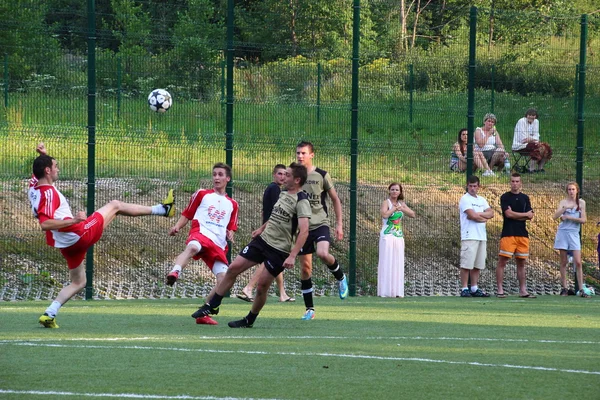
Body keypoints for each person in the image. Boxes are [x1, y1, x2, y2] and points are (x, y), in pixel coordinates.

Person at [29, 143, 175, 328]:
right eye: (55, 166)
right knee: (115, 205)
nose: (58, 169)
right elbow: (45, 223)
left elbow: (39, 173)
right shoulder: (48, 193)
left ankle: (49, 313)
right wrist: (74, 220)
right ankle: (163, 209)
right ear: (48, 170)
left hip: (66, 244)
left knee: (79, 281)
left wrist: (44, 155)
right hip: (78, 234)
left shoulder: (34, 185)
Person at [190, 163, 311, 328]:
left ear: (297, 180)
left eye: (288, 175)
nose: (284, 177)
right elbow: (275, 216)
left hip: (279, 250)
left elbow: (304, 231)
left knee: (261, 287)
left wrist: (292, 255)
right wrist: (261, 229)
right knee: (233, 268)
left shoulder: (302, 200)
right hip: (263, 241)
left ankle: (249, 320)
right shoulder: (283, 193)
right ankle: (212, 305)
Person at [165, 163, 238, 324]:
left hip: (218, 244)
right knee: (192, 247)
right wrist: (177, 226)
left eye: (220, 175)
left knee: (224, 279)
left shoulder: (233, 204)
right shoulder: (202, 194)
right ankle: (175, 272)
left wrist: (230, 233)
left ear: (228, 179)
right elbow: (187, 214)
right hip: (201, 233)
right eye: (214, 174)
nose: (216, 178)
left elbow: (231, 226)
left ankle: (204, 311)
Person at [295, 141, 348, 320]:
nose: (300, 156)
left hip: (320, 223)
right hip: (302, 227)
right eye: (298, 153)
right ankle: (309, 309)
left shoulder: (322, 175)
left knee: (323, 253)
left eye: (303, 153)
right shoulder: (294, 175)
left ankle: (340, 277)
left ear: (312, 155)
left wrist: (339, 224)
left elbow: (335, 199)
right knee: (305, 269)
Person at [238, 164, 295, 303]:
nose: (282, 177)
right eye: (280, 174)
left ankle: (282, 294)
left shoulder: (272, 188)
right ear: (274, 175)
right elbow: (277, 213)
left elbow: (265, 211)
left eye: (285, 174)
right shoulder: (275, 189)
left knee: (276, 262)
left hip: (270, 229)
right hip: (272, 230)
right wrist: (264, 228)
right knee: (268, 261)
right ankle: (249, 287)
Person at [495, 173, 536, 298]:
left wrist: (517, 214)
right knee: (503, 261)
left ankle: (523, 290)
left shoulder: (525, 198)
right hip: (508, 233)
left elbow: (530, 215)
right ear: (510, 183)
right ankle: (500, 289)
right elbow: (509, 214)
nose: (515, 183)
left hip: (522, 234)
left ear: (520, 183)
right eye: (513, 181)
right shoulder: (505, 197)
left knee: (521, 263)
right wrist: (523, 215)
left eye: (517, 181)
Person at [377, 182, 415, 297]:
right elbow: (384, 215)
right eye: (392, 189)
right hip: (387, 236)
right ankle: (384, 291)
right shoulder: (386, 202)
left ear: (400, 192)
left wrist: (402, 209)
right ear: (389, 191)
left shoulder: (401, 203)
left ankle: (396, 291)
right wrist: (393, 209)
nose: (394, 192)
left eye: (397, 190)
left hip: (398, 236)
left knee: (397, 262)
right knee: (386, 261)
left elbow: (412, 214)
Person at [458, 176, 493, 297]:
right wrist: (483, 218)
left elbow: (491, 213)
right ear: (467, 186)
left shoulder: (482, 200)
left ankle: (474, 288)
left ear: (479, 186)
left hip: (481, 236)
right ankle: (464, 288)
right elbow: (471, 216)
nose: (472, 188)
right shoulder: (465, 199)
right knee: (466, 264)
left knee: (478, 264)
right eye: (470, 186)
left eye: (475, 186)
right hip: (469, 236)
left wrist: (478, 214)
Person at [553, 182, 589, 297]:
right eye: (569, 189)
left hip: (573, 234)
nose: (571, 191)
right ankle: (564, 288)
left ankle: (581, 289)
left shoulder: (581, 203)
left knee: (578, 262)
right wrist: (565, 209)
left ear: (577, 190)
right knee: (563, 261)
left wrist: (569, 217)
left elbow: (583, 220)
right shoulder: (563, 202)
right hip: (563, 233)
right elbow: (555, 216)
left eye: (573, 189)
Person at [512, 108, 552, 173]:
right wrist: (533, 139)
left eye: (533, 115)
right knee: (536, 147)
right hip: (520, 145)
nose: (531, 117)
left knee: (546, 147)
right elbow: (523, 138)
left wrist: (531, 139)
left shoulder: (536, 122)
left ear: (535, 116)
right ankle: (531, 169)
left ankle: (540, 168)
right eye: (529, 115)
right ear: (526, 115)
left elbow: (537, 136)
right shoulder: (521, 121)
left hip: (532, 143)